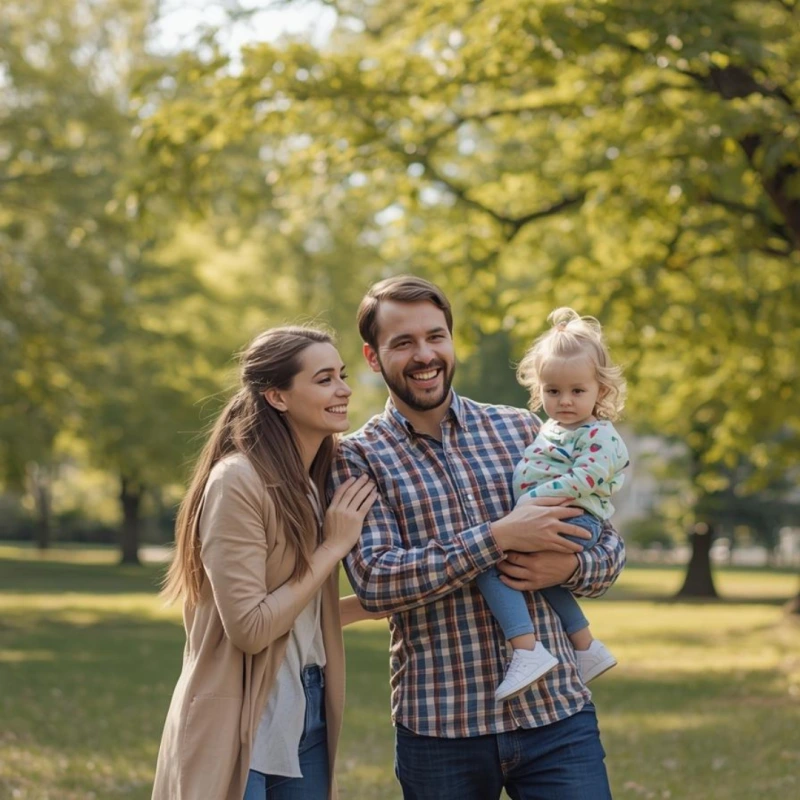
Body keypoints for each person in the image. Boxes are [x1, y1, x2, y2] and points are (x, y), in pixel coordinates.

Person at [331, 276, 626, 800]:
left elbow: (609, 549)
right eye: (403, 343)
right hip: (442, 728)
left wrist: (569, 570)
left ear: (451, 340)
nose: (425, 354)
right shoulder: (358, 457)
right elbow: (376, 581)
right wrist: (496, 538)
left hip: (557, 717)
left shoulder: (522, 429)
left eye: (436, 336)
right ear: (373, 358)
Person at [151, 326, 377, 800]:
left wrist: (386, 600)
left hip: (307, 703)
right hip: (238, 713)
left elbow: (298, 616)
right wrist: (331, 549)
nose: (344, 389)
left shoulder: (315, 483)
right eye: (324, 379)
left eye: (341, 374)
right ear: (277, 395)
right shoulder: (238, 481)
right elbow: (252, 628)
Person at [476, 307, 630, 702]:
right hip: (557, 514)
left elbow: (585, 478)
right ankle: (586, 646)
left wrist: (528, 504)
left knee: (491, 566)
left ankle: (526, 650)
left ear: (601, 390)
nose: (564, 401)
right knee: (538, 575)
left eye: (577, 391)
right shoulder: (553, 428)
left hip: (575, 518)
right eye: (552, 391)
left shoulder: (600, 434)